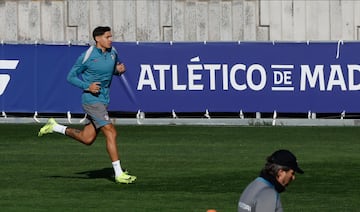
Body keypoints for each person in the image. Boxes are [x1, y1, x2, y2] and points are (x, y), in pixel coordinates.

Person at [38, 26, 136, 184]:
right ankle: (118, 174)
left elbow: (109, 70)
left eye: (111, 37)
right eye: (107, 37)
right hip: (91, 100)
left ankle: (55, 127)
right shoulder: (88, 55)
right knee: (111, 132)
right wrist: (87, 86)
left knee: (87, 139)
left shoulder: (113, 53)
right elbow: (70, 76)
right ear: (98, 39)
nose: (111, 39)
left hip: (103, 100)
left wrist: (118, 71)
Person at [238, 149, 304, 212]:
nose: (293, 178)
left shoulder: (254, 185)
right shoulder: (268, 193)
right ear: (280, 172)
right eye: (292, 173)